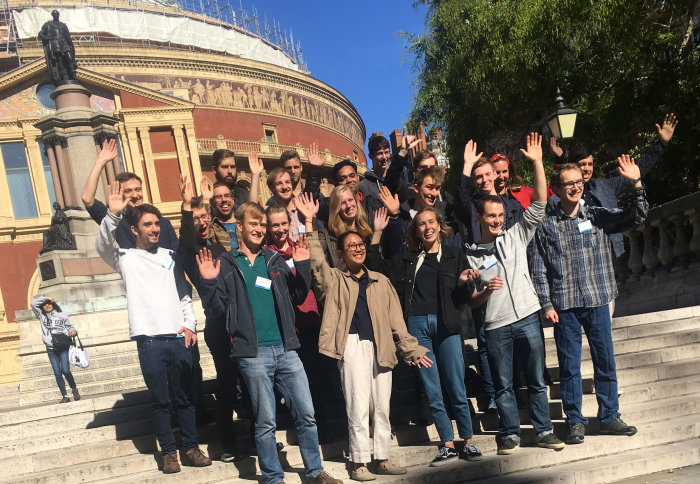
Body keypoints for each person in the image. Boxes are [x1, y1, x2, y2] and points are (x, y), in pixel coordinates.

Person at [196, 203, 342, 484]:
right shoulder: (226, 264)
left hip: (287, 349)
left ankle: (315, 471)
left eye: (262, 225)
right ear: (239, 227)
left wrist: (301, 264)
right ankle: (274, 478)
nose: (260, 229)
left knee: (307, 414)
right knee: (265, 422)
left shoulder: (274, 259)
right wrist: (208, 283)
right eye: (254, 224)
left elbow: (299, 295)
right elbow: (215, 310)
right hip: (253, 353)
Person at [295, 193, 432, 481]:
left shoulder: (381, 282)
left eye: (360, 244)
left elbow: (397, 322)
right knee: (357, 406)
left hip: (381, 346)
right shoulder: (336, 281)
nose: (357, 249)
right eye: (350, 246)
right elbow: (318, 263)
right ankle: (358, 463)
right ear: (342, 254)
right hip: (352, 347)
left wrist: (412, 349)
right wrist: (308, 222)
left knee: (382, 406)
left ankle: (382, 458)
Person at [532, 154, 649, 446]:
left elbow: (637, 217)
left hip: (598, 298)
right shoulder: (546, 226)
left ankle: (610, 416)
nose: (574, 187)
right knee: (570, 367)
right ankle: (575, 422)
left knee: (605, 361)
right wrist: (546, 304)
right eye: (567, 184)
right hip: (566, 305)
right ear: (557, 189)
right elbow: (538, 268)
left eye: (578, 182)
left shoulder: (597, 216)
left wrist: (636, 183)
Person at [96, 183, 211, 474]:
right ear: (134, 230)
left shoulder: (170, 256)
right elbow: (102, 245)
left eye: (157, 224)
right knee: (160, 400)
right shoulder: (125, 258)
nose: (155, 229)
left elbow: (184, 294)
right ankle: (169, 452)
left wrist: (190, 326)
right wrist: (112, 214)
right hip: (149, 341)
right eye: (148, 224)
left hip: (177, 337)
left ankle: (191, 447)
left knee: (185, 398)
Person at [465, 133, 565, 455]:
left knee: (536, 380)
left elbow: (538, 202)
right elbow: (472, 301)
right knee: (504, 385)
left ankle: (544, 430)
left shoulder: (516, 236)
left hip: (526, 317)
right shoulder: (470, 255)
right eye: (490, 216)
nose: (496, 220)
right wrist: (483, 290)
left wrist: (538, 162)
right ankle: (509, 434)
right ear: (480, 218)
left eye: (500, 216)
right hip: (495, 327)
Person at [367, 206, 481, 467]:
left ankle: (468, 439)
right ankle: (447, 443)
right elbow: (375, 266)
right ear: (416, 230)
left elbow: (463, 300)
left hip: (447, 325)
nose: (428, 227)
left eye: (432, 222)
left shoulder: (454, 255)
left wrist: (464, 283)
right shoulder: (407, 260)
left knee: (456, 384)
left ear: (440, 226)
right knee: (432, 388)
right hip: (418, 328)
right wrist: (377, 233)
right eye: (421, 224)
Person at [176, 176, 250, 461]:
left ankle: (253, 436)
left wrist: (205, 205)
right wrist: (189, 206)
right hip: (218, 327)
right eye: (196, 218)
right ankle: (227, 442)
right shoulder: (189, 253)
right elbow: (187, 236)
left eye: (204, 216)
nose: (201, 221)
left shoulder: (219, 249)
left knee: (250, 382)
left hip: (240, 322)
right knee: (228, 386)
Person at [81, 139, 178, 250]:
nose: (135, 195)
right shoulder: (117, 222)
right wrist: (100, 162)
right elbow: (87, 198)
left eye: (138, 189)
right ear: (120, 195)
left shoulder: (162, 223)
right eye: (128, 191)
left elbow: (178, 255)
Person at [31, 295, 80, 403]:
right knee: (57, 373)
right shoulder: (41, 316)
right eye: (45, 304)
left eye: (49, 303)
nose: (47, 305)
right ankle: (65, 396)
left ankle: (74, 389)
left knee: (66, 371)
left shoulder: (62, 315)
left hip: (63, 347)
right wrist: (45, 298)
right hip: (51, 349)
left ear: (53, 304)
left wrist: (73, 331)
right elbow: (33, 304)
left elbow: (70, 327)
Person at [316, 185, 374, 274]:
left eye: (350, 200)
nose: (348, 205)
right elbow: (316, 262)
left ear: (356, 201)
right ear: (336, 208)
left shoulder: (369, 231)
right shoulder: (326, 236)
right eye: (342, 203)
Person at [358, 134, 391, 201]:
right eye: (380, 153)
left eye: (386, 152)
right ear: (370, 156)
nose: (384, 157)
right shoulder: (363, 186)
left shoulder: (395, 179)